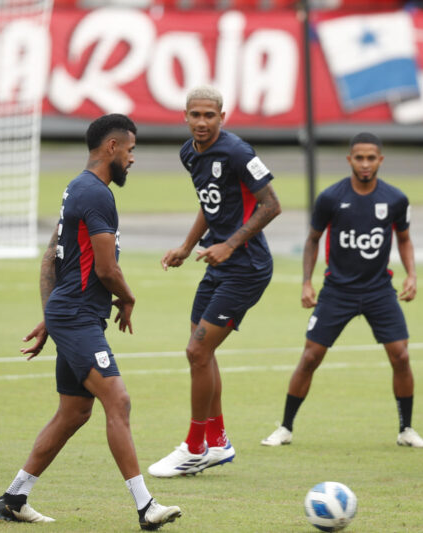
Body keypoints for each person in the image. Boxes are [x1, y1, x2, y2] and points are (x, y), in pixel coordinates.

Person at [0, 114, 181, 529]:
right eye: (130, 150)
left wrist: (50, 315)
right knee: (119, 400)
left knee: (75, 412)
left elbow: (52, 258)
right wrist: (127, 298)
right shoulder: (96, 194)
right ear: (112, 147)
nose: (133, 159)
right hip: (77, 315)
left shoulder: (76, 188)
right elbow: (105, 269)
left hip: (71, 313)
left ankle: (14, 497)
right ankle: (146, 507)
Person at [260, 133, 423, 450]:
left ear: (380, 160)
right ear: (349, 160)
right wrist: (307, 282)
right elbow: (313, 240)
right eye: (359, 157)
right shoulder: (330, 198)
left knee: (401, 356)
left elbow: (404, 239)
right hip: (337, 291)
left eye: (371, 158)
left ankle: (406, 429)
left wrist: (412, 274)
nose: (365, 164)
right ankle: (285, 427)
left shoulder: (395, 199)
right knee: (311, 357)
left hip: (380, 290)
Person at [147, 85, 281, 478]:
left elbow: (272, 204)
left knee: (196, 352)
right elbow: (211, 204)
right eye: (195, 115)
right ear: (184, 117)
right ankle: (218, 442)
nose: (202, 122)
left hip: (248, 266)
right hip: (217, 263)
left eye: (210, 115)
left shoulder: (238, 152)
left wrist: (230, 243)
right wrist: (188, 245)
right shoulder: (189, 153)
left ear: (223, 117)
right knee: (200, 353)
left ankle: (194, 446)